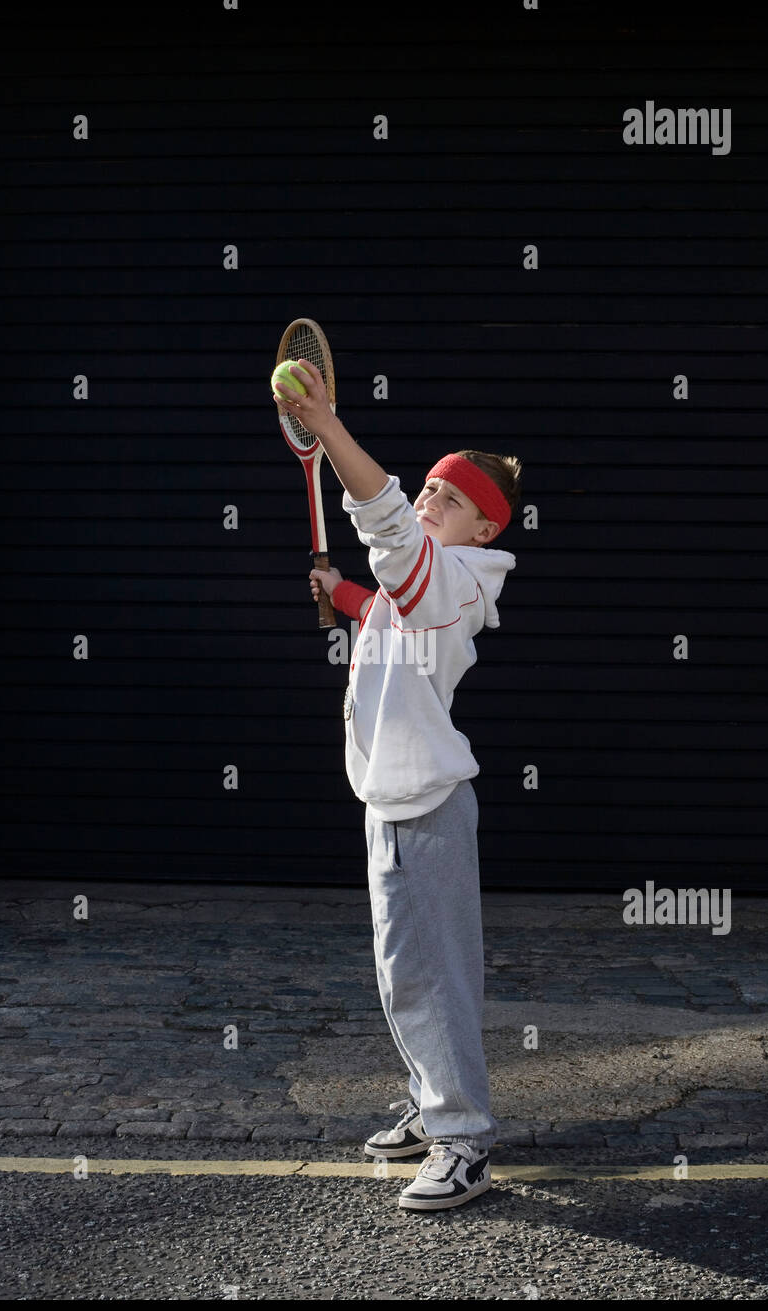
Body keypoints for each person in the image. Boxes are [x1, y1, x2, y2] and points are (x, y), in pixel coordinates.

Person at [272, 359, 520, 1210]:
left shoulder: (455, 582)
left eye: (446, 501)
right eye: (428, 492)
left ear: (484, 531)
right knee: (400, 974)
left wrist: (328, 427)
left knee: (436, 977)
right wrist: (338, 591)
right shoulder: (417, 586)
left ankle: (464, 1142)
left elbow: (390, 536)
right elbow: (383, 600)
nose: (425, 502)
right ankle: (430, 1103)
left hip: (429, 810)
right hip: (388, 803)